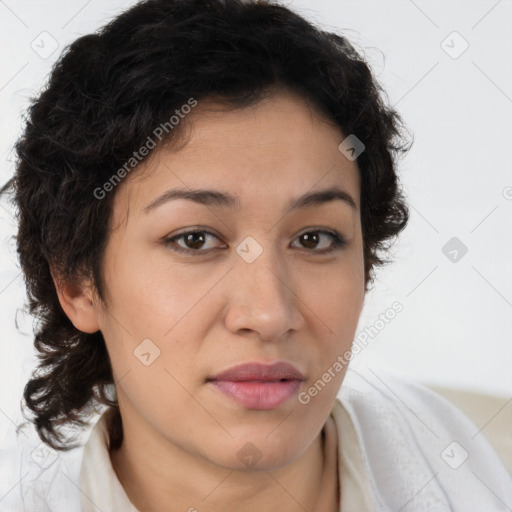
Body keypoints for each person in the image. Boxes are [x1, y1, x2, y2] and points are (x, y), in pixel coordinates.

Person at [0, 0, 510, 510]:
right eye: (195, 239)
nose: (269, 314)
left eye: (314, 239)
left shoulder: (467, 461)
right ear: (76, 282)